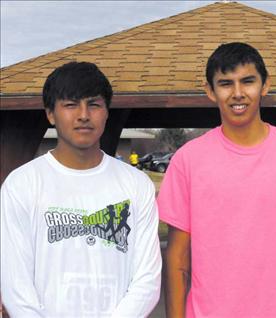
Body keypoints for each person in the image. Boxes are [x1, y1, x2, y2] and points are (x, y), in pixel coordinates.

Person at [157, 42, 276, 317]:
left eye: (248, 81)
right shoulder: (188, 160)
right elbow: (177, 258)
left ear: (265, 85)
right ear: (210, 91)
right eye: (225, 83)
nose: (238, 93)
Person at [1, 62, 162, 317]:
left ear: (106, 112)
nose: (83, 115)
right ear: (51, 114)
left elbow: (147, 280)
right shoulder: (22, 184)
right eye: (70, 104)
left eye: (94, 104)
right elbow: (15, 284)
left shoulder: (136, 185)